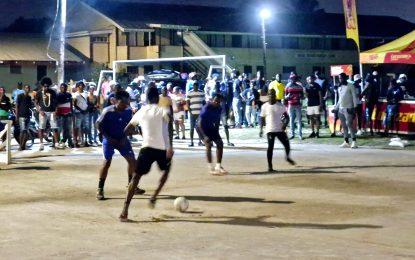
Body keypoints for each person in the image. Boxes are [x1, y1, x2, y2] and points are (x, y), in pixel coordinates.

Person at [119, 87, 174, 222]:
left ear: (147, 98)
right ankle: (154, 195)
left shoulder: (141, 111)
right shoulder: (163, 110)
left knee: (136, 177)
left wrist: (140, 132)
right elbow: (170, 125)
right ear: (157, 98)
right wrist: (170, 146)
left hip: (146, 148)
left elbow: (126, 130)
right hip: (162, 149)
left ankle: (125, 210)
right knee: (166, 171)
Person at [96, 90, 144, 200]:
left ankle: (131, 185)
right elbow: (98, 125)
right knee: (107, 162)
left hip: (122, 139)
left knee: (132, 161)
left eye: (127, 103)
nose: (126, 105)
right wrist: (108, 138)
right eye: (124, 103)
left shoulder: (127, 111)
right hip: (109, 139)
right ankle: (100, 188)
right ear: (116, 101)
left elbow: (130, 126)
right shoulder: (107, 111)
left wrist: (125, 136)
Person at [260, 89, 295, 172]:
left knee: (287, 144)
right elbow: (262, 118)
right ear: (268, 96)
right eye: (270, 95)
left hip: (279, 129)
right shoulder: (264, 106)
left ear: (275, 96)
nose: (271, 96)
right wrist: (261, 129)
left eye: (273, 95)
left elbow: (287, 117)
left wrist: (284, 125)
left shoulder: (280, 106)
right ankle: (270, 166)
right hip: (270, 130)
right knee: (270, 147)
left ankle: (287, 157)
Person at [198, 94, 228, 175]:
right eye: (215, 101)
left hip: (211, 127)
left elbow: (217, 121)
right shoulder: (207, 107)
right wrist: (204, 136)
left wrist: (217, 133)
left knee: (220, 143)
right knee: (208, 144)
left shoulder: (219, 108)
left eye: (219, 101)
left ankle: (218, 166)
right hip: (201, 128)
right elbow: (199, 123)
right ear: (212, 100)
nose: (217, 102)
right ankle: (210, 167)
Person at [333, 73, 358, 148]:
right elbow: (340, 99)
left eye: (341, 78)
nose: (340, 79)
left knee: (349, 124)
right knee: (344, 126)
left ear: (345, 78)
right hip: (341, 108)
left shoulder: (350, 85)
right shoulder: (339, 87)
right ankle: (346, 141)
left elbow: (354, 97)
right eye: (339, 78)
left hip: (349, 107)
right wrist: (336, 108)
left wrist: (354, 107)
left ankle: (354, 141)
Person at [34, 77, 59, 151]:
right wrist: (39, 110)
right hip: (43, 112)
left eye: (48, 86)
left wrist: (55, 111)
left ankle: (56, 143)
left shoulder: (52, 92)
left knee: (54, 127)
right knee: (41, 128)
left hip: (52, 112)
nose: (46, 87)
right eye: (45, 86)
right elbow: (35, 102)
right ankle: (41, 144)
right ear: (42, 86)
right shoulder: (38, 92)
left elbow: (56, 102)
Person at [285, 72, 304, 140]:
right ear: (290, 79)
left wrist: (300, 96)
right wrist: (288, 96)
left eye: (294, 78)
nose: (293, 79)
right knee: (291, 120)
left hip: (298, 104)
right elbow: (285, 97)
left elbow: (303, 97)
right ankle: (292, 134)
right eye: (292, 78)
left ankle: (300, 134)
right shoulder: (288, 86)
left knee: (299, 120)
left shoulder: (299, 86)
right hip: (291, 104)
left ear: (296, 79)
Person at [186, 82, 205, 147]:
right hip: (192, 113)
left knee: (200, 128)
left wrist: (203, 111)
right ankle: (191, 142)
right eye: (195, 86)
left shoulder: (201, 92)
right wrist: (190, 112)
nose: (196, 87)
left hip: (200, 113)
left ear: (198, 86)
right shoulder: (190, 92)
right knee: (192, 128)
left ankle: (200, 141)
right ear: (193, 86)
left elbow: (204, 102)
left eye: (197, 86)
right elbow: (187, 103)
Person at [56, 83, 74, 149]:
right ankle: (56, 142)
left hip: (68, 114)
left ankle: (69, 142)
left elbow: (71, 104)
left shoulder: (69, 94)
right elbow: (57, 103)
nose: (63, 88)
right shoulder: (57, 95)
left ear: (66, 88)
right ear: (60, 88)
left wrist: (71, 112)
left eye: (64, 87)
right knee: (59, 129)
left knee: (68, 130)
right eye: (62, 87)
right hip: (60, 115)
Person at [15, 85, 33, 150]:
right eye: (26, 88)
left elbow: (30, 106)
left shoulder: (29, 97)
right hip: (21, 116)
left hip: (27, 116)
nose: (27, 89)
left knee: (26, 131)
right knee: (22, 131)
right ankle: (20, 146)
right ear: (24, 89)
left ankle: (23, 145)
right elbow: (16, 106)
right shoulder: (20, 96)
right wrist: (17, 116)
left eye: (28, 88)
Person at [73, 81, 90, 147]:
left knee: (86, 127)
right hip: (78, 113)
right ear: (77, 87)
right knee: (77, 127)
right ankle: (76, 141)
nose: (81, 86)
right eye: (80, 85)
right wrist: (81, 110)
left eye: (82, 85)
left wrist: (86, 110)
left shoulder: (86, 93)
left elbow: (88, 102)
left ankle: (85, 140)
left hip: (85, 112)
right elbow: (74, 104)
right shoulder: (75, 94)